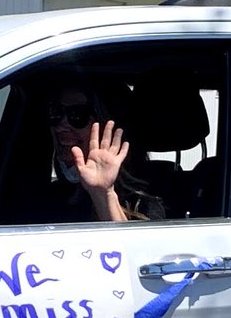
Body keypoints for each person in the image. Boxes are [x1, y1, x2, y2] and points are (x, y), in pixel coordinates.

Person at [46, 82, 165, 222]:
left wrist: (102, 193)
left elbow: (128, 243)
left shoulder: (142, 205)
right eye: (56, 112)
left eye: (77, 115)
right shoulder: (46, 196)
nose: (61, 126)